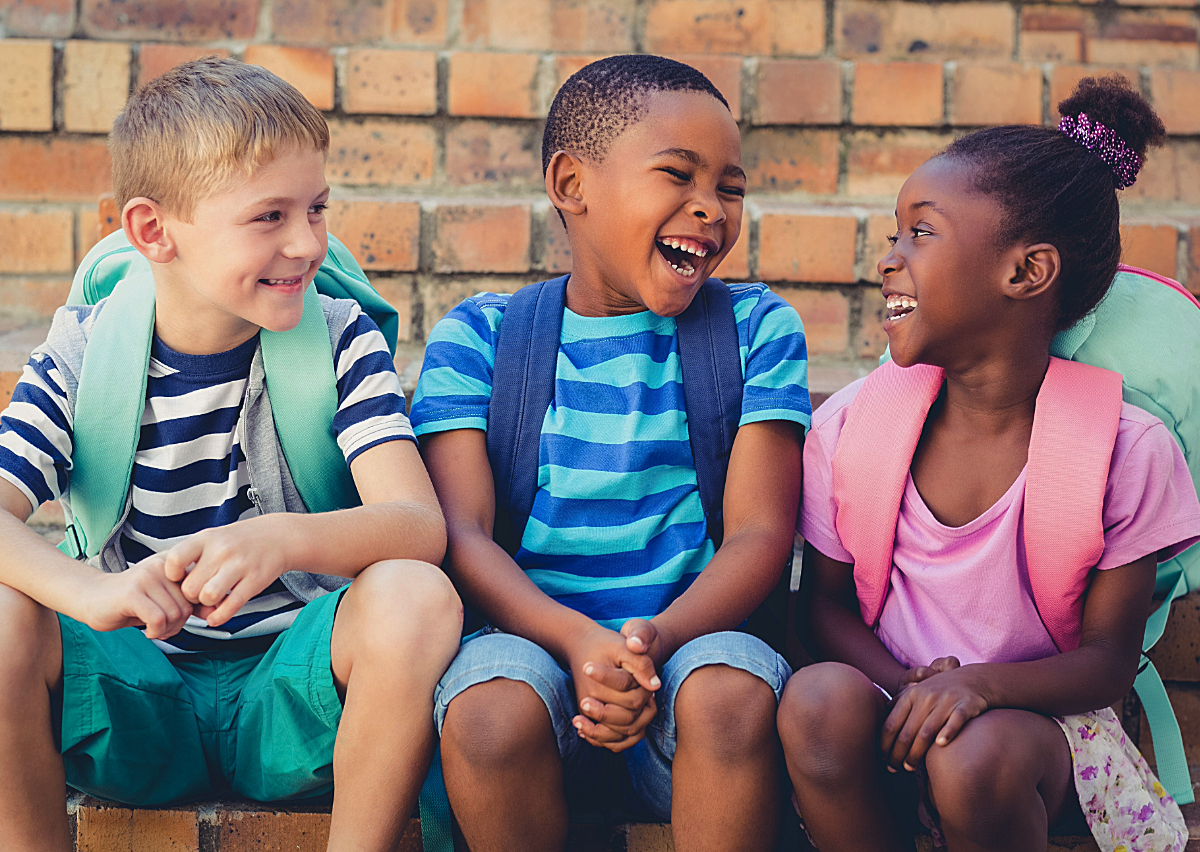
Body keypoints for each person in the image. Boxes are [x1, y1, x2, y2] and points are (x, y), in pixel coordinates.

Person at [0, 58, 462, 852]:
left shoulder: (342, 336)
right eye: (269, 217)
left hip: (294, 701)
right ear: (154, 231)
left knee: (416, 595)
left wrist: (282, 539)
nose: (308, 243)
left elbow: (420, 525)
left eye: (316, 209)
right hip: (136, 697)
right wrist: (91, 595)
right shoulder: (84, 353)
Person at [778, 74, 1200, 852]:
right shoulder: (851, 429)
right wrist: (913, 686)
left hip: (1038, 741)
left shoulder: (1125, 449)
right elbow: (822, 611)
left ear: (1026, 272)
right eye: (893, 235)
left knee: (973, 757)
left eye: (922, 233)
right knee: (816, 699)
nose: (890, 260)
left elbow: (1106, 662)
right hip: (896, 716)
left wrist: (976, 688)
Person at [410, 54, 811, 852]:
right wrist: (577, 645)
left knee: (731, 689)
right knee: (486, 710)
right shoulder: (480, 339)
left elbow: (761, 535)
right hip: (536, 669)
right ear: (570, 184)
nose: (710, 209)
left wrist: (649, 643)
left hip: (691, 661)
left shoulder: (758, 330)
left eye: (729, 188)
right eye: (677, 175)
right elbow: (463, 534)